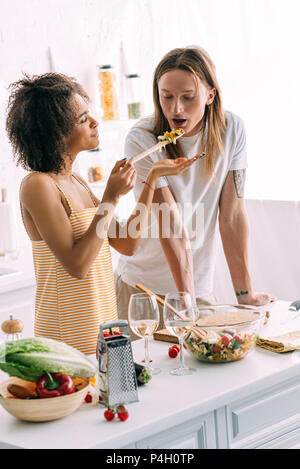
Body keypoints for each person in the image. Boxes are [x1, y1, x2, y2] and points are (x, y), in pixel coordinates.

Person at [6, 72, 195, 354]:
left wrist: (151, 179)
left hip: (104, 331)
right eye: (83, 120)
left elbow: (126, 244)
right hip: (67, 339)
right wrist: (111, 196)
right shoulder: (37, 185)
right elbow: (77, 265)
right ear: (55, 133)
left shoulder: (77, 181)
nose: (94, 123)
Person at [116, 46, 275, 332]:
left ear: (210, 95)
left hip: (197, 287)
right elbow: (169, 224)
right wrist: (186, 303)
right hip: (142, 290)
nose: (176, 108)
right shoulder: (142, 139)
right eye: (167, 97)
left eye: (188, 97)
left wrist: (245, 295)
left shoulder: (232, 130)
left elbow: (232, 217)